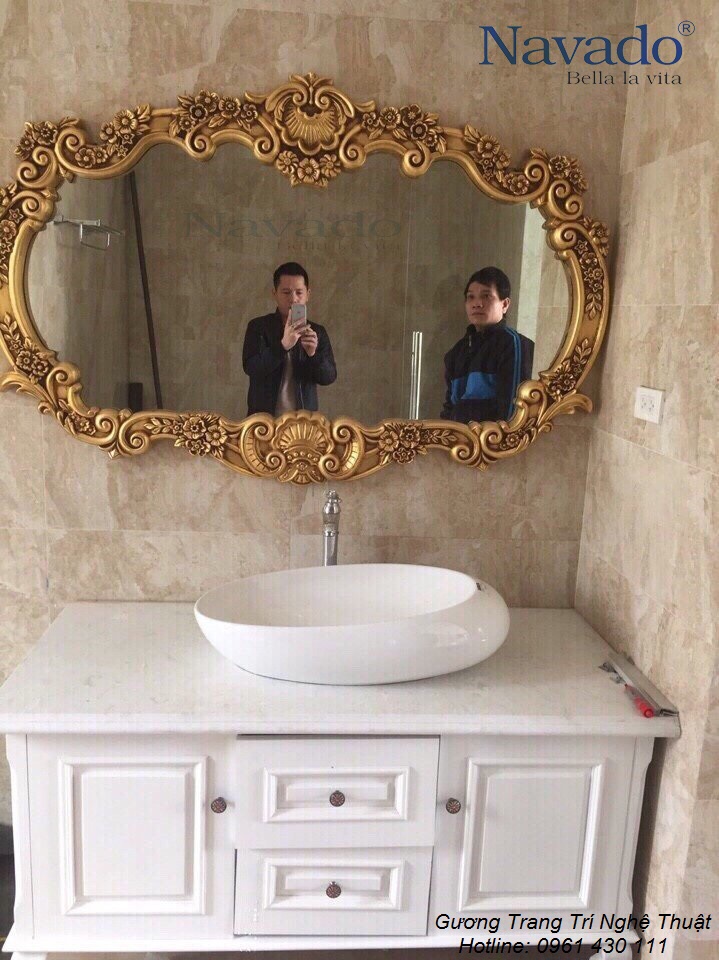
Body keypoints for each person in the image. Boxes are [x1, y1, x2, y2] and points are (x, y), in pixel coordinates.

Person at [440, 266, 534, 424]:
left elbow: (513, 412)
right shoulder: (456, 352)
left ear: (505, 304)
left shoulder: (513, 344)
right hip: (460, 438)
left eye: (486, 296)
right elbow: (449, 409)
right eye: (471, 297)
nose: (477, 303)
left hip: (495, 439)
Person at [242, 262, 337, 416]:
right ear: (274, 294)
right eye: (286, 292)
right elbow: (251, 368)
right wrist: (282, 346)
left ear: (308, 294)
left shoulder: (317, 332)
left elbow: (329, 377)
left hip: (303, 423)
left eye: (299, 292)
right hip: (263, 421)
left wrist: (312, 355)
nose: (293, 299)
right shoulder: (258, 326)